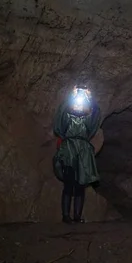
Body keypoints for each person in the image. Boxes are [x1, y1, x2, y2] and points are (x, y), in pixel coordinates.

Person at [53, 85, 102, 223]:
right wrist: (71, 96)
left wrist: (90, 98)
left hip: (83, 153)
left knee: (80, 185)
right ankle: (66, 216)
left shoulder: (87, 120)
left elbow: (96, 114)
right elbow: (60, 117)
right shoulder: (67, 117)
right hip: (68, 151)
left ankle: (77, 216)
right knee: (69, 184)